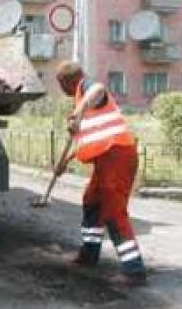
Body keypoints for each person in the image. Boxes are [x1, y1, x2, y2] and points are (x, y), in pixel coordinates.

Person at [54, 61, 147, 287]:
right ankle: (89, 254)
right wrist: (64, 162)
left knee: (113, 212)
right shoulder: (81, 101)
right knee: (91, 201)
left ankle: (134, 270)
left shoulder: (88, 88)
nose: (62, 90)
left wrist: (77, 112)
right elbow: (89, 138)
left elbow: (99, 91)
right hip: (106, 160)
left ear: (67, 82)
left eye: (60, 85)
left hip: (118, 156)